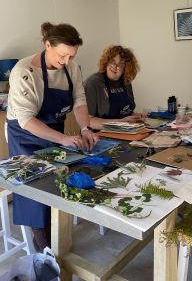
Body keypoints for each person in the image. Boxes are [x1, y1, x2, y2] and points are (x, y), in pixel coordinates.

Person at [7, 22, 98, 251]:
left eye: (71, 56)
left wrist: (85, 129)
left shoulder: (71, 68)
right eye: (62, 55)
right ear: (48, 45)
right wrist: (63, 139)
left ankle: (57, 235)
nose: (66, 61)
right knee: (35, 188)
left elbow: (79, 100)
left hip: (53, 132)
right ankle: (45, 251)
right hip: (25, 136)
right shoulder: (24, 71)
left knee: (58, 182)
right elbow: (27, 120)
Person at [84, 45, 145, 129]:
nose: (115, 67)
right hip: (99, 136)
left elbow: (124, 113)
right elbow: (87, 122)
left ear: (126, 68)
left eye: (120, 65)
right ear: (106, 61)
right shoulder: (94, 83)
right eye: (112, 62)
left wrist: (134, 116)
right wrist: (120, 123)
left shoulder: (126, 82)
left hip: (123, 131)